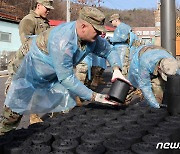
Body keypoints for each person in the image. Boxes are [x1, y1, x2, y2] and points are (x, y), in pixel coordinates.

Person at [0, 6, 128, 135]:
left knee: (62, 105)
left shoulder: (92, 39)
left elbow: (109, 51)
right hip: (27, 68)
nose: (100, 34)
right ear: (84, 26)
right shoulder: (62, 40)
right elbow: (66, 78)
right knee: (15, 110)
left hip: (53, 71)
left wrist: (116, 69)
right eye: (97, 30)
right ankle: (4, 137)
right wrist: (95, 96)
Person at [5, 0, 54, 124]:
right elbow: (26, 42)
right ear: (38, 5)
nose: (48, 11)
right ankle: (7, 126)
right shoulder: (29, 20)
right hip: (24, 62)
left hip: (39, 61)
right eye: (46, 8)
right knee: (17, 94)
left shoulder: (45, 22)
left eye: (49, 9)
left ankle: (33, 115)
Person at [112, 27, 180, 108]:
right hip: (138, 59)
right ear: (159, 67)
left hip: (154, 54)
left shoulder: (172, 63)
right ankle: (120, 103)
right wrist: (155, 105)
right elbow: (145, 86)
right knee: (130, 84)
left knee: (158, 91)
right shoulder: (146, 63)